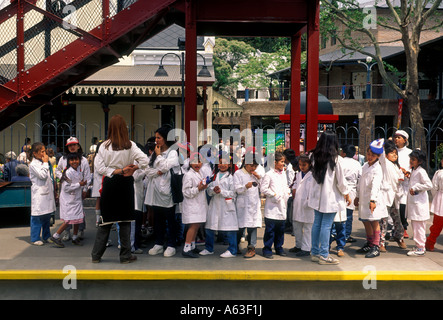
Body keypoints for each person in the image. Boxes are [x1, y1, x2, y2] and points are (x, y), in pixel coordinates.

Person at [91, 114, 149, 264]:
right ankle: (125, 256)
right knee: (125, 222)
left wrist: (117, 170)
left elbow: (99, 168)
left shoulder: (103, 146)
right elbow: (146, 160)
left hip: (110, 183)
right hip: (125, 184)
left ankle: (96, 255)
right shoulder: (130, 145)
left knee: (106, 222)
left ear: (110, 128)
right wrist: (132, 168)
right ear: (125, 128)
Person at [308, 131, 350, 265]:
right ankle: (324, 255)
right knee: (326, 225)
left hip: (317, 197)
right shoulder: (336, 159)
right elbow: (341, 182)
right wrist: (346, 193)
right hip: (330, 197)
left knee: (317, 224)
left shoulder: (313, 156)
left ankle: (314, 252)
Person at [147, 126, 181, 258]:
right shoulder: (155, 152)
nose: (156, 140)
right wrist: (158, 171)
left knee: (170, 218)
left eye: (158, 138)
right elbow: (148, 170)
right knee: (158, 218)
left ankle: (171, 244)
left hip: (168, 192)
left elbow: (166, 167)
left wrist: (160, 157)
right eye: (155, 137)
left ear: (166, 139)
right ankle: (159, 243)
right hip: (155, 191)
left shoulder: (173, 153)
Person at [355, 140, 387, 258]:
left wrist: (373, 200)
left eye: (373, 155)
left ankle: (375, 246)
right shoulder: (364, 166)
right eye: (368, 154)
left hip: (373, 199)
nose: (370, 157)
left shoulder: (377, 168)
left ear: (378, 156)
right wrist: (357, 196)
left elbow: (376, 185)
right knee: (365, 220)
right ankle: (369, 243)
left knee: (374, 221)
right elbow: (360, 182)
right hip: (363, 199)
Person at [202, 152, 238, 258]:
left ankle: (232, 250)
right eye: (220, 162)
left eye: (225, 163)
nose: (222, 165)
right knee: (210, 227)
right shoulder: (213, 177)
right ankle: (209, 248)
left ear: (230, 164)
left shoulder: (232, 177)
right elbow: (208, 191)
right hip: (214, 205)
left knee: (230, 228)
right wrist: (214, 190)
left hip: (227, 205)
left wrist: (221, 191)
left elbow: (233, 193)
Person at [55, 136, 91, 241]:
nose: (72, 147)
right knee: (67, 212)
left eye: (74, 145)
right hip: (67, 190)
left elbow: (87, 176)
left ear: (78, 146)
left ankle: (80, 230)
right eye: (70, 145)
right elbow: (57, 171)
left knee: (79, 212)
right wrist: (62, 177)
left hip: (79, 191)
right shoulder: (63, 159)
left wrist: (85, 189)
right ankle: (67, 232)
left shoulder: (83, 160)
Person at [49, 153, 87, 248]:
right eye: (72, 160)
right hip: (68, 200)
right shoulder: (68, 173)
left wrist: (84, 186)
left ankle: (74, 237)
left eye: (76, 159)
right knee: (68, 220)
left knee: (78, 218)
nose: (74, 161)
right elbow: (66, 188)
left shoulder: (78, 171)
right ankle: (56, 236)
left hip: (76, 198)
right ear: (69, 162)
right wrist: (79, 184)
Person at [261, 152, 291, 259]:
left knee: (280, 229)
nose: (284, 164)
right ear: (275, 162)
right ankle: (267, 248)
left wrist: (287, 192)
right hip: (272, 206)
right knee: (270, 230)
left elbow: (285, 185)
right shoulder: (269, 174)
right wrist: (274, 194)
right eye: (282, 162)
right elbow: (263, 188)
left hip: (282, 205)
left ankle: (279, 247)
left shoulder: (283, 173)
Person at [234, 151, 262, 258]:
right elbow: (237, 189)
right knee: (240, 227)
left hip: (254, 205)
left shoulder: (255, 175)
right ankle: (236, 246)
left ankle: (251, 247)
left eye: (255, 166)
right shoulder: (238, 174)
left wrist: (259, 178)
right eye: (251, 165)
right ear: (245, 163)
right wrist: (245, 186)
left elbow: (262, 187)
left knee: (253, 227)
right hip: (243, 204)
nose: (253, 168)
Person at [379, 140, 406, 250]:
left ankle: (399, 237)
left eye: (396, 153)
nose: (394, 155)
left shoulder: (396, 166)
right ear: (386, 155)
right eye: (392, 153)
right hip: (386, 195)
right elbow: (381, 154)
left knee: (397, 219)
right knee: (383, 220)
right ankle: (381, 242)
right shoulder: (385, 163)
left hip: (395, 197)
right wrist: (384, 143)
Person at [181, 152, 208, 258]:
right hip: (192, 205)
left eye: (199, 161)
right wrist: (198, 189)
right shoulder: (188, 175)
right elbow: (186, 192)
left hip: (199, 204)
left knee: (196, 226)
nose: (197, 164)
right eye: (194, 162)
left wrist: (202, 187)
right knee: (193, 226)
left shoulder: (199, 173)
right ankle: (186, 248)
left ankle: (192, 246)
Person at [406, 149, 432, 256]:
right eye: (410, 159)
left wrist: (416, 187)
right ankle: (419, 245)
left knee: (419, 227)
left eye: (413, 159)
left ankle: (421, 248)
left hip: (419, 205)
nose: (411, 161)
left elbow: (429, 185)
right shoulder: (414, 170)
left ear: (420, 161)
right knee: (416, 226)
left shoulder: (421, 171)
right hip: (415, 204)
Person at [29, 142, 56, 246]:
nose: (45, 153)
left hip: (47, 193)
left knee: (46, 216)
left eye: (44, 151)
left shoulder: (43, 162)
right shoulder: (33, 165)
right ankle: (35, 238)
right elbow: (43, 175)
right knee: (37, 216)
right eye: (42, 152)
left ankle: (46, 236)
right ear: (35, 154)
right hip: (39, 194)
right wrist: (45, 163)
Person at [290, 154, 314, 257]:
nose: (301, 167)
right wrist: (294, 188)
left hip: (308, 205)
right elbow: (295, 183)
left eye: (304, 165)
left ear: (309, 164)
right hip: (298, 203)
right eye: (300, 165)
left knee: (308, 228)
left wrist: (309, 201)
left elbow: (313, 190)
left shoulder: (313, 175)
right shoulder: (299, 174)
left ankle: (306, 248)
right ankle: (298, 245)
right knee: (297, 226)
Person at [339, 144, 362, 243]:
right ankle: (347, 235)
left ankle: (335, 233)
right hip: (352, 190)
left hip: (341, 189)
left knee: (338, 214)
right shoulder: (356, 164)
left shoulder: (340, 162)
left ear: (343, 153)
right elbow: (360, 178)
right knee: (348, 215)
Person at [394, 130, 412, 238]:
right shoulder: (391, 151)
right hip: (394, 183)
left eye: (399, 137)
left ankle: (404, 227)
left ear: (405, 140)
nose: (396, 139)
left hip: (405, 183)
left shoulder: (410, 152)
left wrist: (407, 172)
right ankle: (394, 229)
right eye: (395, 137)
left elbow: (412, 166)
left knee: (402, 207)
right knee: (393, 208)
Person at [426, 158, 443, 251]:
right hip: (441, 200)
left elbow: (434, 188)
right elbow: (434, 187)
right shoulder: (439, 173)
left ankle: (430, 243)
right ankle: (430, 243)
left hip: (440, 199)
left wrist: (437, 198)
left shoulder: (439, 173)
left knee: (436, 225)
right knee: (437, 225)